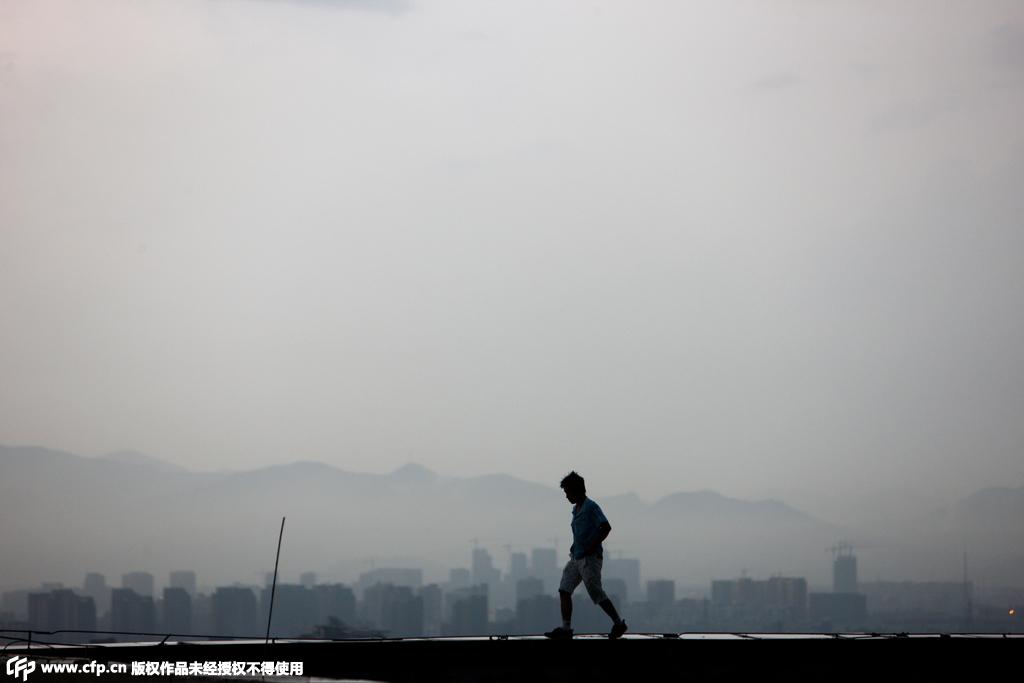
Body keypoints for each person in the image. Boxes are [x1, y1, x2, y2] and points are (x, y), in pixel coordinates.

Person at [545, 470, 628, 639]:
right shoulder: (576, 510)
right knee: (564, 589)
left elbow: (605, 527)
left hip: (590, 559)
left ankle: (619, 624)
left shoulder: (591, 507)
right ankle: (566, 628)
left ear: (576, 490)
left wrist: (591, 546)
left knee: (596, 593)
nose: (566, 496)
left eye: (568, 492)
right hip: (577, 557)